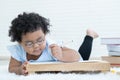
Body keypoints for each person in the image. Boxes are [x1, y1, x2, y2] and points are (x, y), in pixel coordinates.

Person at [8, 12, 98, 75]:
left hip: (74, 61)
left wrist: (61, 55)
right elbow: (12, 68)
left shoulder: (52, 46)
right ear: (20, 42)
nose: (36, 46)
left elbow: (77, 56)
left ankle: (90, 35)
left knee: (84, 59)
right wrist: (19, 70)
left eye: (40, 40)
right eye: (29, 43)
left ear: (45, 34)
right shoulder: (18, 50)